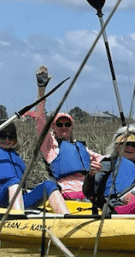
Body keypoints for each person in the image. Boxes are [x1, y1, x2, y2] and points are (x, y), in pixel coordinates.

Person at [25, 65, 105, 200]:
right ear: (53, 127)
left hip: (89, 191)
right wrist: (41, 90)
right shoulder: (50, 147)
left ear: (72, 127)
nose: (63, 127)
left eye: (67, 124)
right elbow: (40, 119)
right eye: (59, 124)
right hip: (68, 193)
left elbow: (103, 159)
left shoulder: (82, 148)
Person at [0, 123, 70, 215]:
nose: (7, 139)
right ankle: (19, 219)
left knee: (49, 185)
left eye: (11, 137)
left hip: (17, 198)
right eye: (3, 136)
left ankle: (66, 218)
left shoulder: (17, 158)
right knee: (14, 182)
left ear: (15, 140)